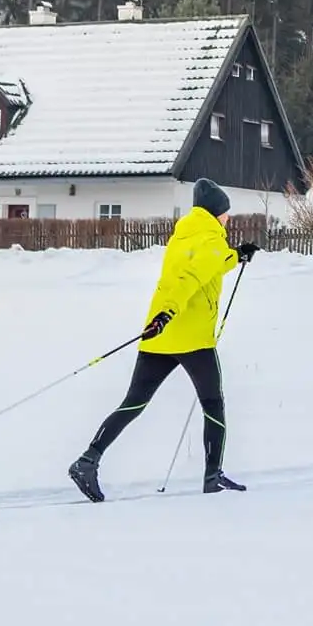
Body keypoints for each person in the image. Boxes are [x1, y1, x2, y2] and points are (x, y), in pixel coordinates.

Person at [69, 178, 258, 500]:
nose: (228, 218)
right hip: (193, 338)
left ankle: (87, 460)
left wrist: (235, 256)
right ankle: (213, 476)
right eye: (226, 213)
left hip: (158, 336)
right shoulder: (212, 238)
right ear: (216, 213)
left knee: (134, 403)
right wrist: (169, 312)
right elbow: (188, 281)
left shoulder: (184, 236)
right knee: (213, 404)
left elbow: (202, 268)